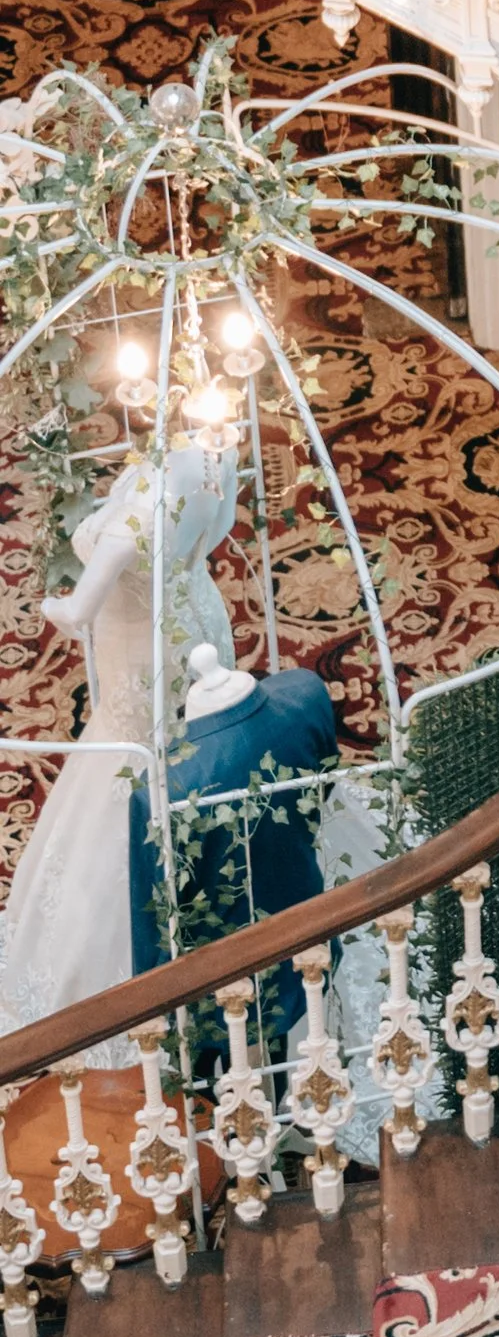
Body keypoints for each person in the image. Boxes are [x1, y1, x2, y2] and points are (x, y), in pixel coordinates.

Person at [0, 442, 237, 1043]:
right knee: (196, 746)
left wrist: (49, 600)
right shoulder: (217, 453)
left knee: (131, 767)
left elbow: (78, 611)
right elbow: (222, 529)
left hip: (141, 657)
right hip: (198, 620)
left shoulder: (138, 514)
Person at [130, 642, 341, 1065]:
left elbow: (154, 913)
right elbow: (325, 781)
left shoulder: (160, 788)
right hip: (310, 928)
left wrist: (153, 1004)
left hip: (220, 983)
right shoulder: (306, 692)